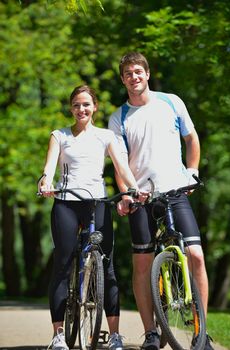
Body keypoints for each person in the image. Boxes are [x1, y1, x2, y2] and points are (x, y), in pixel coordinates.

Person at [108, 52, 214, 350]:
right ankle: (151, 332)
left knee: (195, 255)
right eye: (128, 73)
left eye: (138, 71)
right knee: (142, 262)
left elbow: (191, 138)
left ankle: (200, 330)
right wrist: (128, 192)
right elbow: (121, 164)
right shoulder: (119, 117)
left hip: (175, 191)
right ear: (123, 79)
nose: (134, 77)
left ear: (148, 73)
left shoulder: (171, 101)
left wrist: (192, 171)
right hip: (141, 196)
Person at [38, 85, 147, 350]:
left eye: (86, 104)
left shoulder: (105, 136)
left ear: (94, 107)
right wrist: (45, 182)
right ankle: (59, 335)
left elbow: (121, 167)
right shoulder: (60, 135)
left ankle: (114, 335)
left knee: (106, 266)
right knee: (62, 265)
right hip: (66, 202)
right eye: (76, 105)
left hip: (97, 203)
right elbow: (49, 166)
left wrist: (134, 189)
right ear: (71, 108)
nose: (81, 109)